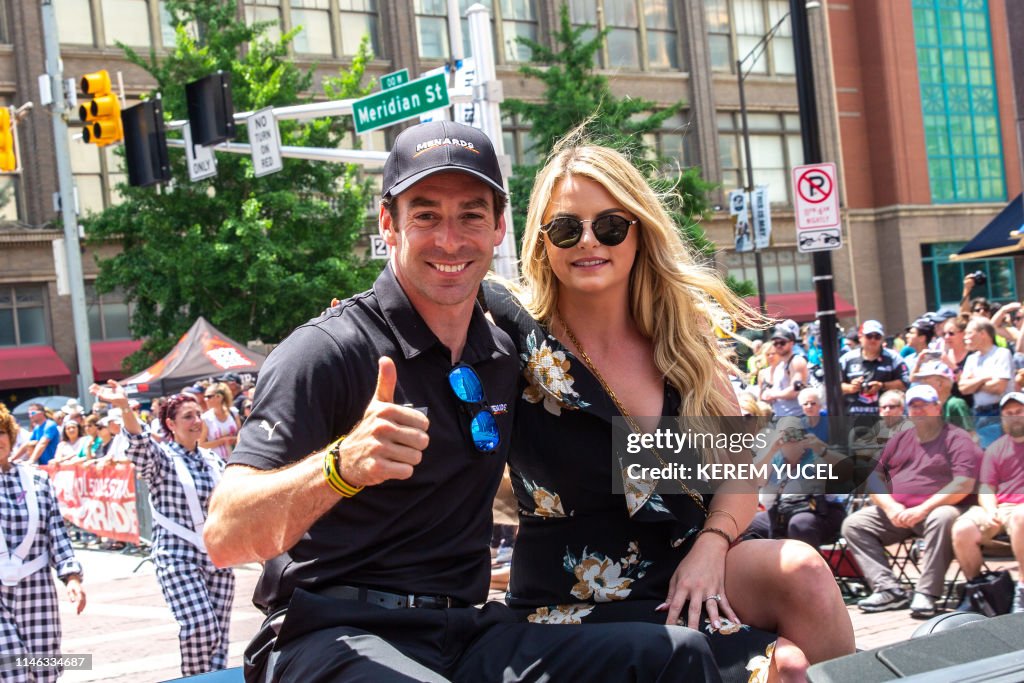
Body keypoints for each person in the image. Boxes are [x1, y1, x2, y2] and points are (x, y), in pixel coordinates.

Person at [203, 121, 718, 683]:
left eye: (471, 215)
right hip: (333, 633)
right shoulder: (328, 351)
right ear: (387, 223)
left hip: (468, 633)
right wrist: (341, 467)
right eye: (425, 215)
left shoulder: (505, 355)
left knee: (679, 655)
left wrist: (715, 537)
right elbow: (226, 536)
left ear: (499, 227)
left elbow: (642, 455)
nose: (450, 240)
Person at [483, 139, 854, 681]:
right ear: (542, 241)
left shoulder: (679, 333)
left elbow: (737, 470)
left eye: (609, 225)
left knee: (803, 570)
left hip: (690, 561)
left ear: (638, 232)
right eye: (567, 228)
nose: (589, 241)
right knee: (784, 667)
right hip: (567, 592)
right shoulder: (508, 328)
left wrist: (711, 545)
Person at [89, 383, 235, 677]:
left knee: (219, 635)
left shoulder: (213, 460)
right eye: (188, 417)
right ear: (170, 424)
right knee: (200, 625)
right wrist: (124, 407)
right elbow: (139, 443)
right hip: (177, 555)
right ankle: (195, 680)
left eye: (198, 415)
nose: (197, 422)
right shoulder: (163, 458)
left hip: (217, 556)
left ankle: (215, 679)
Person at [841, 384, 981, 618]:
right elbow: (874, 477)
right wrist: (891, 506)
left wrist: (923, 508)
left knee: (943, 517)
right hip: (898, 513)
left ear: (938, 408)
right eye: (913, 406)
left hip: (940, 509)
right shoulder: (900, 438)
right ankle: (888, 590)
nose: (918, 411)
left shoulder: (957, 438)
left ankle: (927, 592)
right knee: (854, 524)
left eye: (923, 405)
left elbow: (963, 484)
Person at [0, 404, 87, 682]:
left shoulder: (36, 479)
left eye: (1, 432)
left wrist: (72, 577)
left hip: (36, 587)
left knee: (45, 667)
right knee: (12, 670)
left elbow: (56, 533)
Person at [951, 391, 1024, 613]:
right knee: (962, 529)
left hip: (1021, 511)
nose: (1013, 417)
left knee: (1022, 516)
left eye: (1019, 411)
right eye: (1008, 413)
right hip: (1000, 507)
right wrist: (991, 510)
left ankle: (1022, 588)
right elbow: (986, 487)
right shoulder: (995, 448)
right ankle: (980, 591)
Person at [746, 417, 848, 547]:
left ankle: (808, 566)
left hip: (822, 512)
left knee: (799, 524)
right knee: (747, 524)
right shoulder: (774, 460)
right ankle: (761, 566)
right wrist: (771, 450)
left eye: (797, 433)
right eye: (786, 434)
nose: (792, 439)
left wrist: (822, 450)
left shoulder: (816, 455)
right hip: (783, 512)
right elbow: (755, 480)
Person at [960, 316, 1013, 447]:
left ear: (982, 334)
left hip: (998, 414)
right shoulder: (971, 359)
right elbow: (963, 388)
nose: (965, 337)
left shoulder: (1002, 354)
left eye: (969, 333)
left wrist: (973, 383)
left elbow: (999, 387)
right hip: (978, 414)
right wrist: (983, 379)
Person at [839, 321, 909, 418]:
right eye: (869, 336)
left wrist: (882, 385)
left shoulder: (894, 358)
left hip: (886, 418)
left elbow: (905, 382)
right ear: (860, 337)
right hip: (854, 417)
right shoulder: (847, 359)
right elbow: (833, 386)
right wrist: (851, 387)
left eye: (877, 337)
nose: (873, 340)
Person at [760, 327, 808, 418]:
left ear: (792, 343)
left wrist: (773, 395)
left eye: (782, 342)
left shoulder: (796, 361)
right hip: (780, 417)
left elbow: (795, 390)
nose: (778, 346)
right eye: (775, 343)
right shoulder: (779, 366)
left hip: (796, 416)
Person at [199, 382, 241, 462]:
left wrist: (234, 439)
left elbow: (240, 435)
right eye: (205, 397)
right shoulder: (206, 418)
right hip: (218, 462)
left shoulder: (233, 412)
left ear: (219, 397)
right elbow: (201, 445)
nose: (205, 399)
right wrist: (223, 441)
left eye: (209, 396)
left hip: (237, 459)